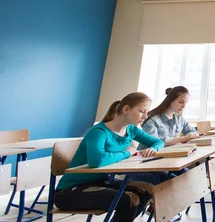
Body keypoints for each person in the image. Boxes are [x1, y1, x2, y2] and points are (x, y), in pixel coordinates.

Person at [54, 93, 166, 222]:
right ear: (126, 109)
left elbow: (158, 142)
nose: (145, 117)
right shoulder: (99, 132)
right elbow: (97, 161)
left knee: (147, 189)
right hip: (70, 192)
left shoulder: (131, 129)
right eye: (142, 111)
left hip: (100, 182)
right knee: (128, 199)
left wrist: (153, 148)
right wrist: (128, 152)